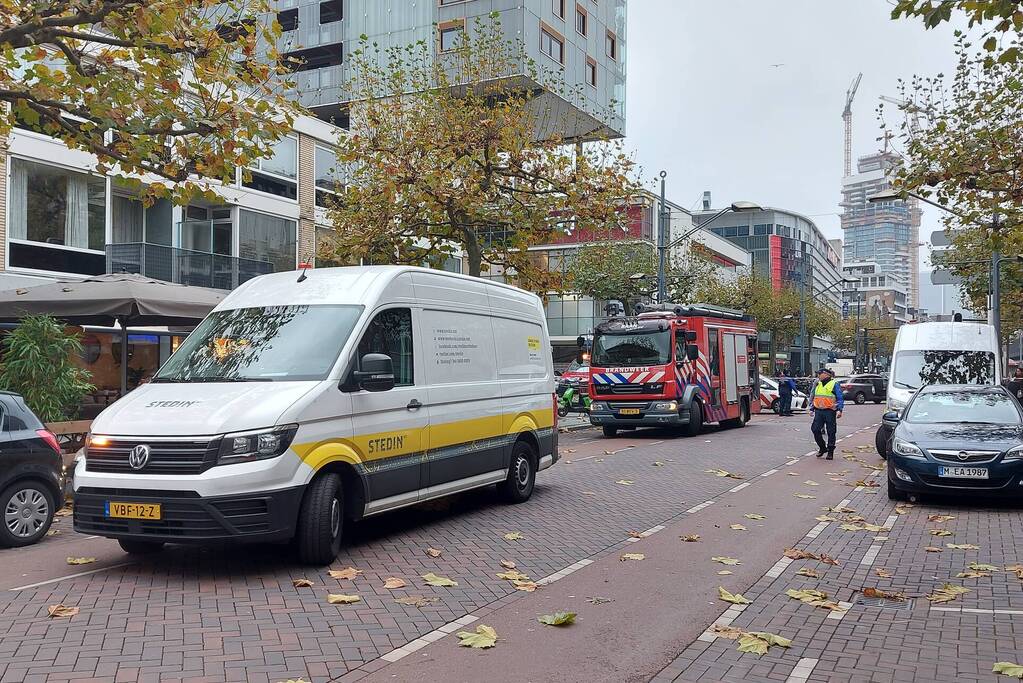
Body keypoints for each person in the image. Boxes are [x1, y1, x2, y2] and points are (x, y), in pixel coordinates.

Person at [810, 367, 844, 460]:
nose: (818, 376)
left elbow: (840, 398)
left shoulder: (834, 384)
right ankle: (822, 447)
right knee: (815, 429)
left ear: (826, 374)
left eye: (819, 374)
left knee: (831, 432)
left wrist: (839, 410)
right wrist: (812, 408)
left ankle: (830, 451)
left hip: (830, 411)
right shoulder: (819, 384)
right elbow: (816, 397)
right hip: (819, 411)